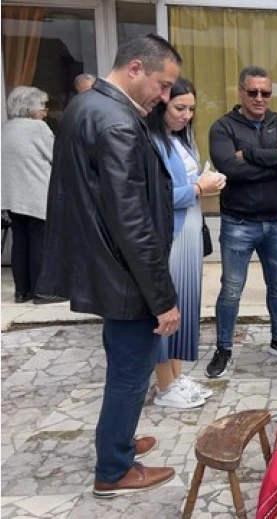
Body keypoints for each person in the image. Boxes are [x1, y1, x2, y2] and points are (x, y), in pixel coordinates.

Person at [36, 33, 182, 498]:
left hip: (107, 265)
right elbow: (131, 221)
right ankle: (114, 469)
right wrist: (163, 299)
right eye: (162, 85)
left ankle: (118, 440)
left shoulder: (88, 105)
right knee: (130, 373)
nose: (165, 97)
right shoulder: (116, 121)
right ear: (135, 68)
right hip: (124, 274)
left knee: (123, 363)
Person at [205, 65, 277, 379]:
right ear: (241, 92)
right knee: (231, 289)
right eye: (253, 92)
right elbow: (229, 169)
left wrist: (249, 154)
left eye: (266, 92)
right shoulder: (223, 127)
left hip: (276, 222)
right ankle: (223, 348)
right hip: (238, 222)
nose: (260, 98)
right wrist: (275, 160)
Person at [145, 78, 225, 408]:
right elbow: (155, 197)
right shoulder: (151, 143)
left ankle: (176, 377)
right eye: (180, 108)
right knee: (167, 309)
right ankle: (165, 386)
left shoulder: (180, 139)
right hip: (170, 236)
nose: (186, 115)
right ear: (162, 105)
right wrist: (198, 189)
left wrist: (206, 182)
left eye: (191, 109)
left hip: (189, 231)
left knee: (184, 306)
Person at [1, 86, 54, 304]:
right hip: (36, 193)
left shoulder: (7, 128)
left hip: (14, 196)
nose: (45, 111)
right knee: (40, 241)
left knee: (20, 241)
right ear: (30, 107)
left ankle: (22, 291)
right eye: (42, 106)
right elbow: (56, 155)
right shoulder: (37, 127)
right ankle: (42, 292)